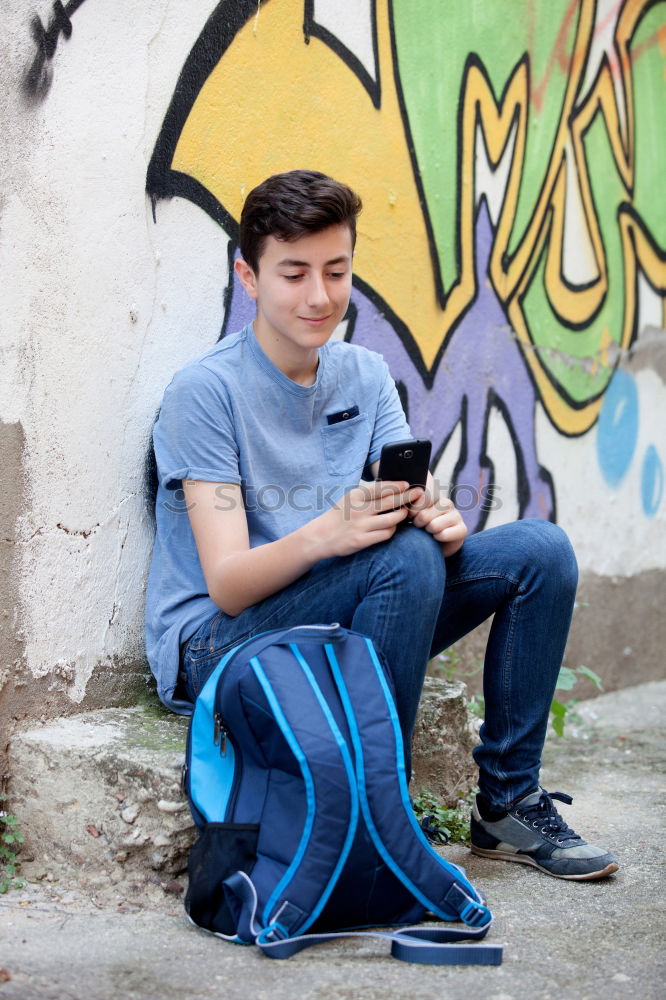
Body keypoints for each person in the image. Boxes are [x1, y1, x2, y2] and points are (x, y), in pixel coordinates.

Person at [146, 169, 618, 881]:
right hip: (220, 650)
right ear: (248, 275)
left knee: (538, 551)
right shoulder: (204, 393)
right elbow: (229, 585)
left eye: (336, 270)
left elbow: (411, 512)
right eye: (294, 273)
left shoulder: (364, 375)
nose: (319, 295)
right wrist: (329, 534)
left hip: (342, 611)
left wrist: (441, 521)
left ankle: (508, 803)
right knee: (404, 559)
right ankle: (373, 816)